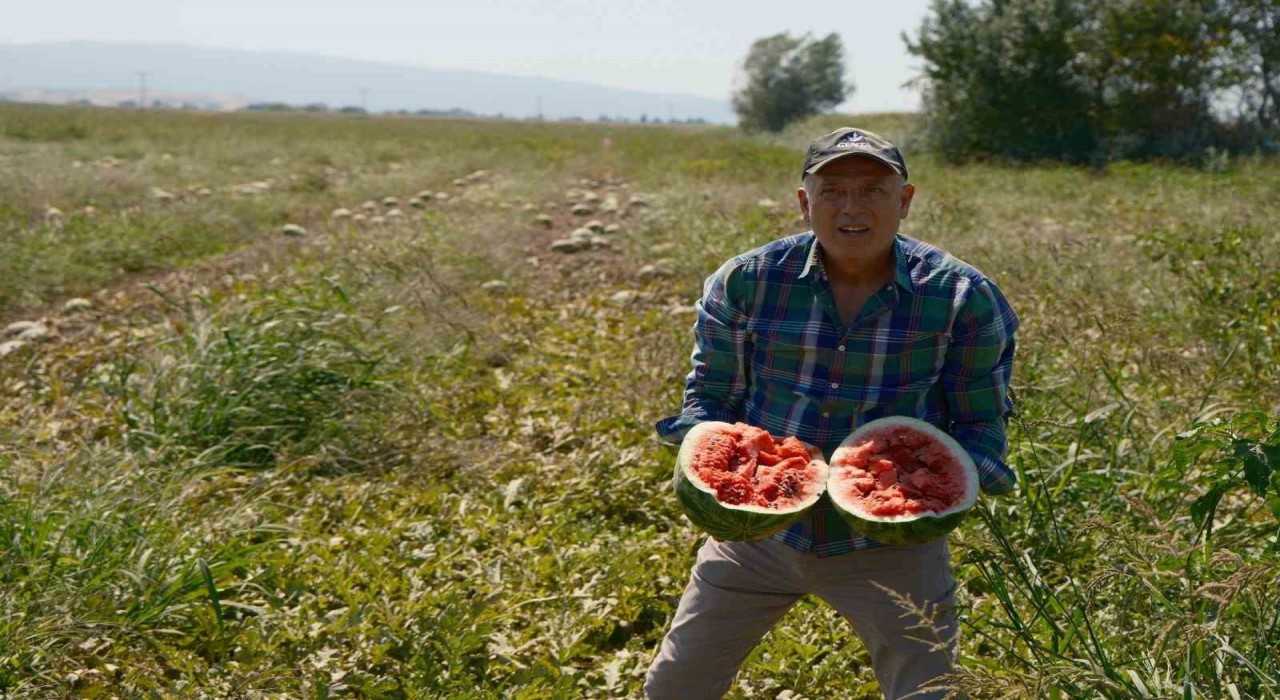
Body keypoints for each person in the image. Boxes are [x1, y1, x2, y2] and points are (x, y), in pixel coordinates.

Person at [645, 127, 1019, 700]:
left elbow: (980, 424)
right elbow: (711, 395)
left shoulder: (962, 296)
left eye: (872, 190)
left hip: (892, 551)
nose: (851, 207)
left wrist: (942, 487)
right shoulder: (746, 282)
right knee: (676, 686)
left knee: (929, 694)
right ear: (805, 202)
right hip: (758, 540)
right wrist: (716, 466)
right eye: (833, 191)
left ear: (905, 200)